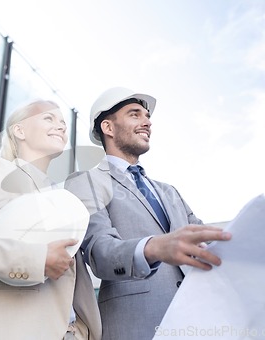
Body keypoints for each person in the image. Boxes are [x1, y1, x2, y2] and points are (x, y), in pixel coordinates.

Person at [65, 87, 232, 340]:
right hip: (135, 325)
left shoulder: (169, 192)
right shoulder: (85, 182)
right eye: (135, 114)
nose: (147, 122)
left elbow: (207, 240)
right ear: (108, 128)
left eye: (147, 116)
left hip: (195, 322)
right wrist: (154, 248)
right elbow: (100, 252)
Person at [0, 100, 102, 340]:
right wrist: (38, 259)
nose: (61, 126)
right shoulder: (0, 172)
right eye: (49, 118)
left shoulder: (63, 197)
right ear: (19, 130)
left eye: (63, 123)